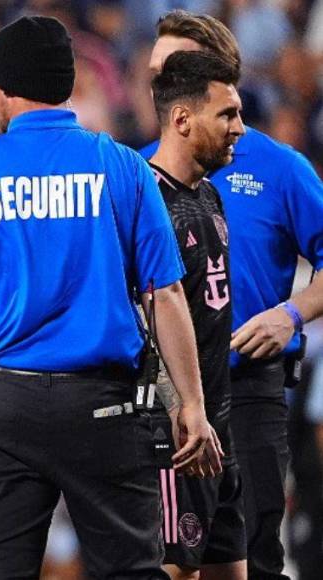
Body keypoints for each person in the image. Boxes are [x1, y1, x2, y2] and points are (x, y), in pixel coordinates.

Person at [0, 16, 221, 579]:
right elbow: (164, 293)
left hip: (3, 407)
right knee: (131, 571)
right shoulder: (122, 166)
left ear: (5, 89)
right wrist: (190, 403)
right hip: (105, 407)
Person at [140, 12, 323, 579]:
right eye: (153, 73)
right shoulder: (136, 172)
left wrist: (290, 314)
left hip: (247, 391)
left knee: (254, 553)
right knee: (168, 556)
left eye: (170, 68)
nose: (156, 83)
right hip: (165, 400)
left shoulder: (279, 168)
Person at [149, 50, 248, 580]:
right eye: (227, 115)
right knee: (174, 568)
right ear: (183, 119)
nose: (241, 128)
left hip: (219, 420)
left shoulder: (209, 194)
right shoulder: (146, 201)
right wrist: (181, 410)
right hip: (178, 432)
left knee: (230, 568)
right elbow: (142, 321)